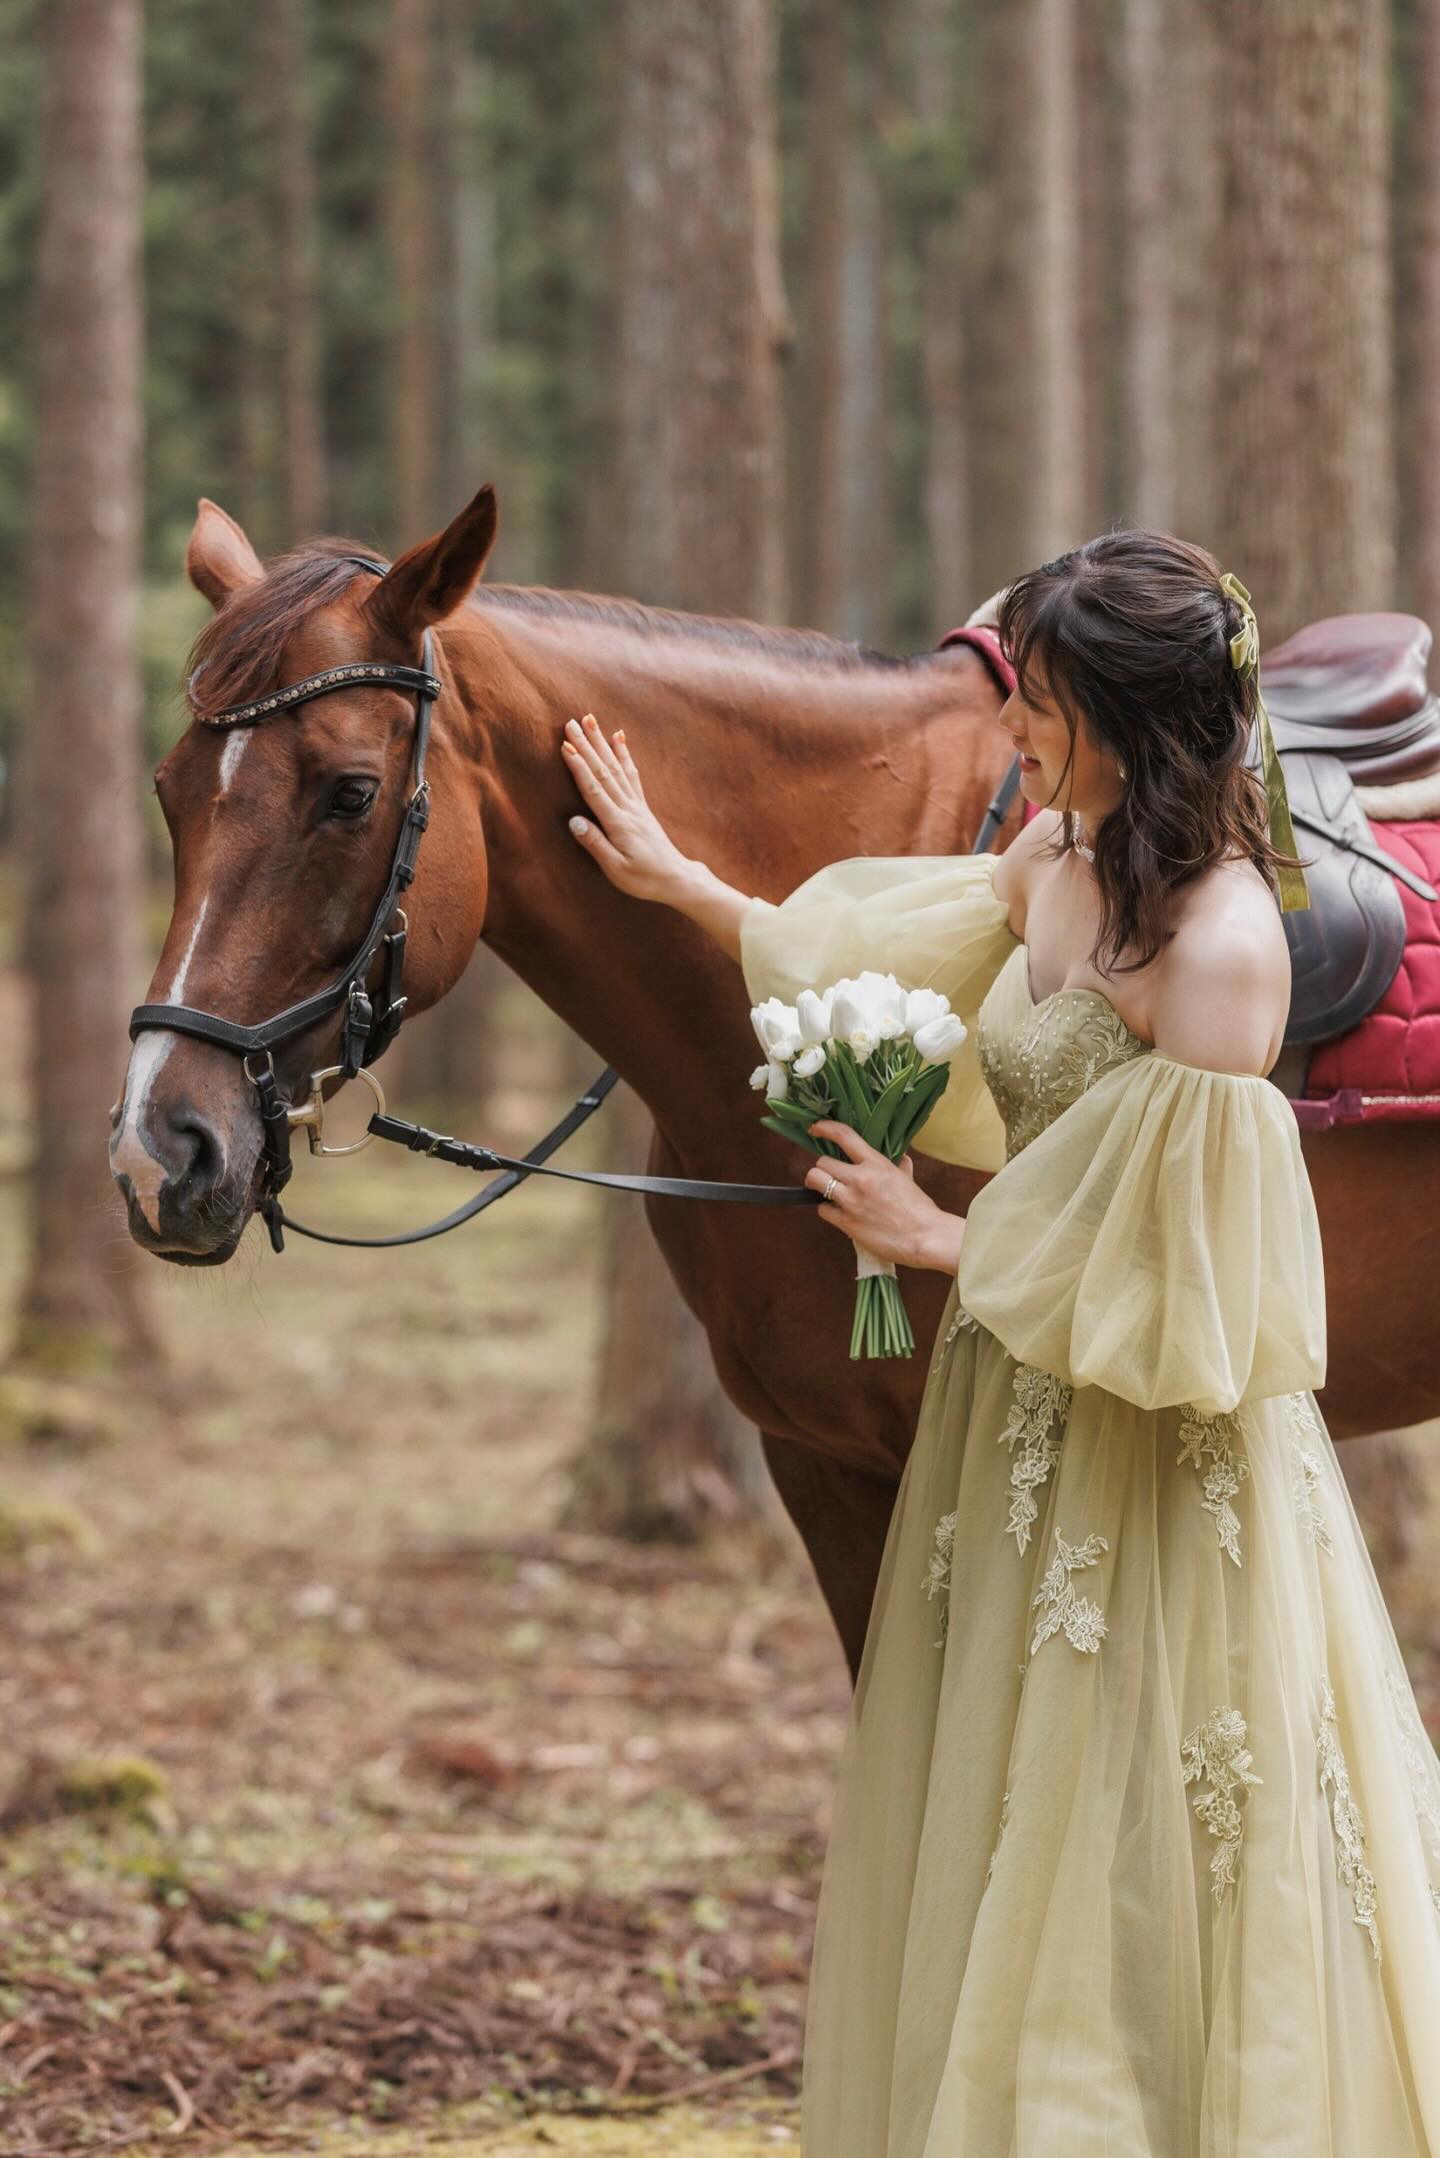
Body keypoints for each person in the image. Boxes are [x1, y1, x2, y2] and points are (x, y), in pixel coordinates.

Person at [558, 529, 1440, 2154]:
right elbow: (881, 952)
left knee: (1166, 1792)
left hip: (1155, 1449)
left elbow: (1209, 1269)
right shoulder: (1051, 859)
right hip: (1016, 1411)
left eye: (1039, 698)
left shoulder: (1225, 952)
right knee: (1023, 1791)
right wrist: (678, 880)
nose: (1012, 723)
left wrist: (946, 1238)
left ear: (1126, 711)